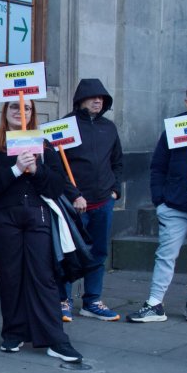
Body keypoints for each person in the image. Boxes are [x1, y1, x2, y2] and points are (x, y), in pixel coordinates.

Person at [0, 99, 83, 362]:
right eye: (14, 106)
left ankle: (55, 338)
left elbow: (57, 186)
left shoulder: (43, 146)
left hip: (37, 215)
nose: (20, 111)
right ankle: (13, 331)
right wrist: (16, 168)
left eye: (26, 108)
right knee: (10, 276)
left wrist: (36, 169)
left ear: (32, 113)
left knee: (43, 276)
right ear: (5, 111)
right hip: (4, 217)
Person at [128, 82, 187, 323]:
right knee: (165, 255)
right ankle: (154, 304)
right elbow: (158, 166)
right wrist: (160, 200)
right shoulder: (174, 129)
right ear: (186, 102)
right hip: (174, 206)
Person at [58, 79, 123, 322]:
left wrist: (115, 191)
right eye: (93, 97)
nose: (98, 101)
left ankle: (92, 300)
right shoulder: (64, 125)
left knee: (99, 252)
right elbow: (55, 166)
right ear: (80, 100)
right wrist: (73, 195)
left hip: (103, 203)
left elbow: (117, 161)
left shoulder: (109, 128)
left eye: (102, 98)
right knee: (70, 252)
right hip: (74, 204)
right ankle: (62, 300)